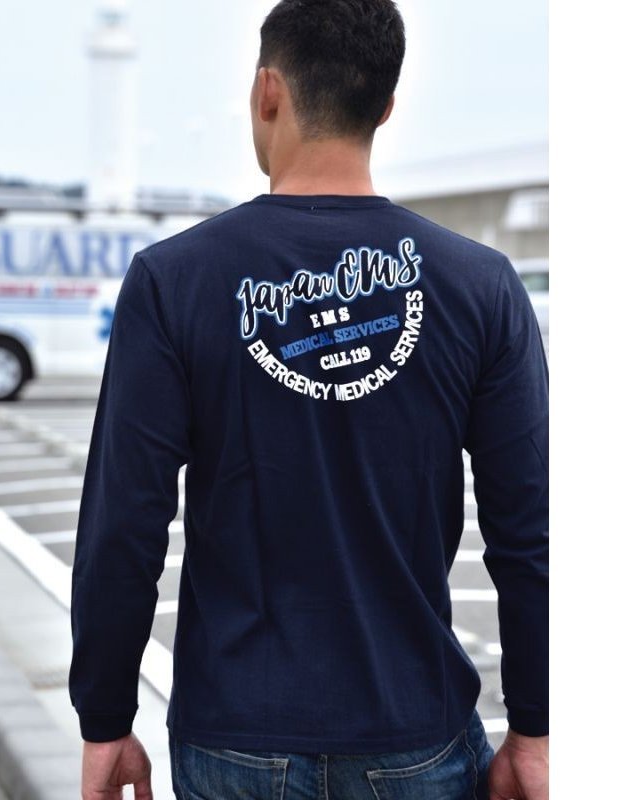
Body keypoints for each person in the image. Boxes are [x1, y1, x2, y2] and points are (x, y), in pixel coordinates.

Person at [68, 0, 549, 798]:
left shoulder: (172, 280)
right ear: (385, 106)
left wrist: (104, 719)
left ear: (268, 92)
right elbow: (530, 529)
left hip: (233, 738)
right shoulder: (481, 286)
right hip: (414, 733)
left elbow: (123, 522)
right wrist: (535, 727)